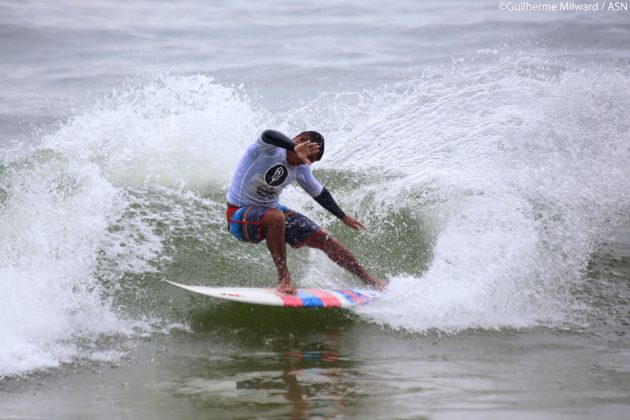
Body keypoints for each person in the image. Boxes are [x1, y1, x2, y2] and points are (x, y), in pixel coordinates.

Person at [226, 129, 385, 294]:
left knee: (324, 239)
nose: (306, 163)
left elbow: (319, 193)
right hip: (239, 215)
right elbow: (268, 134)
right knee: (276, 217)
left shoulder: (301, 168)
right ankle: (284, 278)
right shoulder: (267, 149)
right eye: (308, 158)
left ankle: (369, 280)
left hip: (271, 211)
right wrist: (293, 147)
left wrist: (343, 216)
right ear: (301, 140)